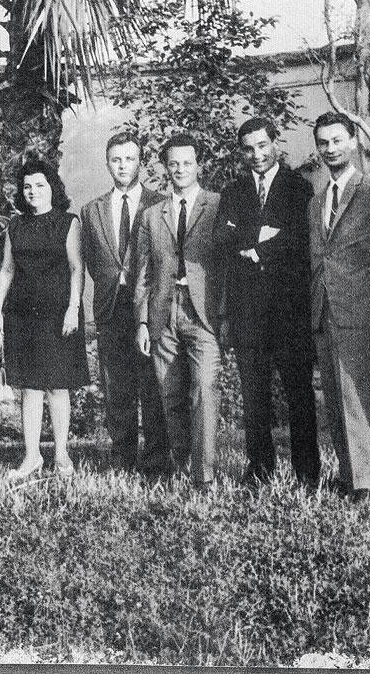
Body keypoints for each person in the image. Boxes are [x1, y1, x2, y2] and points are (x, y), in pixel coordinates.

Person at [213, 118, 321, 488]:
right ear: (241, 150)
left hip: (289, 309)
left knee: (298, 392)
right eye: (248, 148)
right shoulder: (234, 190)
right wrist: (262, 234)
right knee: (253, 394)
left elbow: (299, 240)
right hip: (248, 311)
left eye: (262, 145)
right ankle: (259, 470)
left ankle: (307, 473)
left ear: (275, 143)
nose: (256, 155)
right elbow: (221, 238)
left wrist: (255, 247)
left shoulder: (298, 188)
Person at [308, 112, 370, 501]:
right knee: (335, 401)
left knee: (354, 397)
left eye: (337, 140)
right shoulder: (317, 200)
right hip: (324, 312)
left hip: (360, 312)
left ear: (354, 141)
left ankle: (365, 484)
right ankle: (349, 474)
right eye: (323, 143)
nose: (330, 149)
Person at [0, 157, 89, 480]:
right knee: (30, 389)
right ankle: (32, 456)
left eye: (40, 185)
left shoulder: (68, 222)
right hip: (21, 315)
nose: (33, 191)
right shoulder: (15, 225)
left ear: (52, 188)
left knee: (57, 387)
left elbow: (77, 268)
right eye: (27, 187)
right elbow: (7, 270)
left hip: (58, 314)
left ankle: (61, 455)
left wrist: (73, 307)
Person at [134, 134, 222, 487]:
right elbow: (142, 272)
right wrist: (141, 321)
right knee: (169, 395)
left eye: (187, 162)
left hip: (203, 313)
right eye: (173, 164)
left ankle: (204, 477)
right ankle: (183, 466)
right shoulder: (152, 215)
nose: (180, 169)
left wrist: (225, 313)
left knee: (204, 389)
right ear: (165, 168)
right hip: (162, 312)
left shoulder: (217, 205)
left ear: (198, 165)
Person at [80, 131, 169, 476]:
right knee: (116, 387)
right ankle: (122, 459)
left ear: (140, 162)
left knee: (152, 386)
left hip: (149, 306)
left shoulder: (159, 203)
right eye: (116, 159)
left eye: (129, 158)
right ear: (107, 162)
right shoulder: (92, 210)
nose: (122, 165)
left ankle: (157, 461)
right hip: (111, 307)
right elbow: (91, 257)